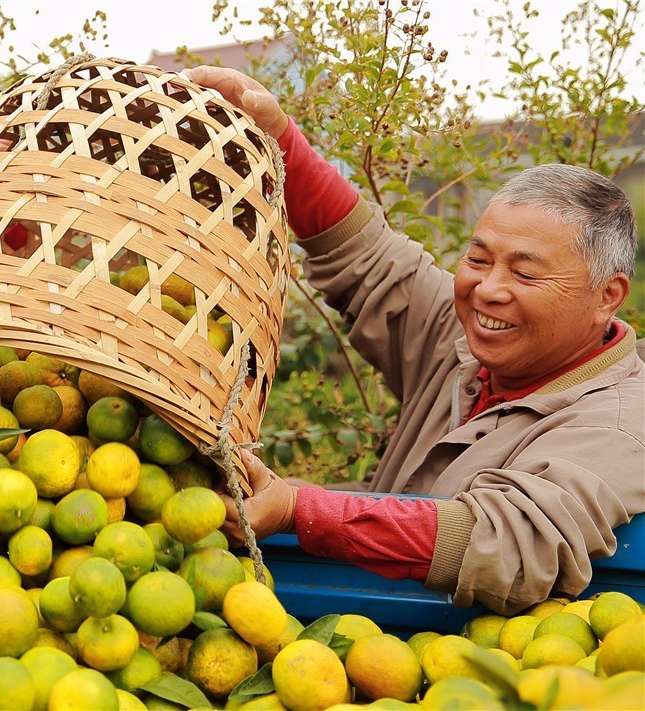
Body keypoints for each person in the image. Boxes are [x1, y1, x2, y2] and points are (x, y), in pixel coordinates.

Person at [184, 66, 644, 614]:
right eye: (477, 259)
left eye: (525, 274)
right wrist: (279, 136)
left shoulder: (617, 424)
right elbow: (369, 260)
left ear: (606, 296)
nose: (487, 290)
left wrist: (303, 510)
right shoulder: (468, 339)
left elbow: (510, 540)